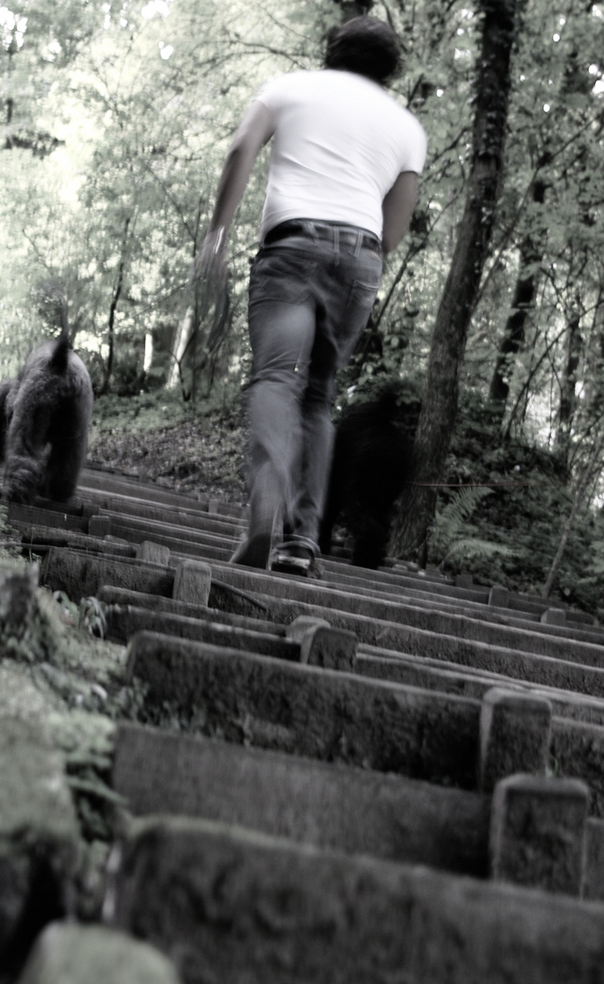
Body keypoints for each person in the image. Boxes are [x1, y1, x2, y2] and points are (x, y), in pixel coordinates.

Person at [196, 15, 426, 575]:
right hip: (359, 257)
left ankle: (264, 512)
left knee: (277, 376)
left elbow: (240, 150)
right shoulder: (407, 129)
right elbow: (394, 230)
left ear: (332, 52)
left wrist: (217, 237)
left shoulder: (289, 88)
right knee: (319, 398)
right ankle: (302, 539)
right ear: (390, 70)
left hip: (290, 247)